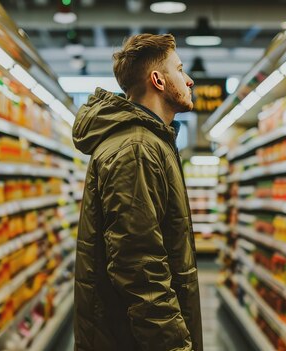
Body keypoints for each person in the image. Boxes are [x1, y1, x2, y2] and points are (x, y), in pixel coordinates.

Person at [72, 33, 203, 351]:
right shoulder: (137, 148)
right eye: (180, 69)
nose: (189, 81)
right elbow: (140, 270)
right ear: (158, 80)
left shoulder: (150, 141)